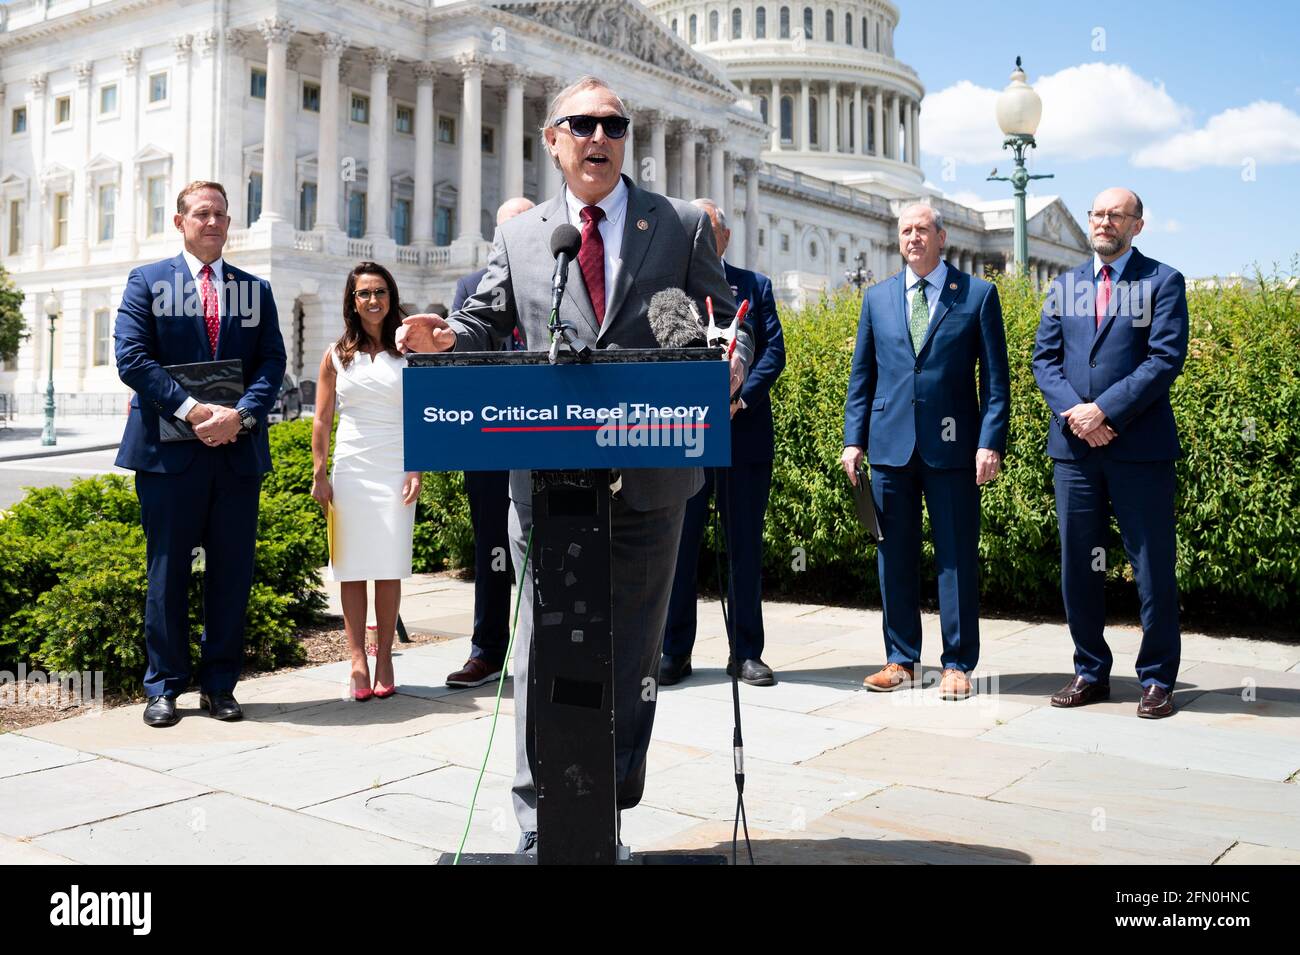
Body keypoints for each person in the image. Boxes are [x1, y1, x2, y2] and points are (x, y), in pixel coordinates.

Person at [398, 75, 754, 853]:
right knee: (541, 654)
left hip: (653, 482)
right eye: (581, 125)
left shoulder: (683, 223)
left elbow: (723, 322)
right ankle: (538, 823)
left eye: (613, 125)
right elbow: (484, 323)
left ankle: (604, 813)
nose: (599, 138)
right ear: (552, 141)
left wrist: (728, 361)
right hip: (550, 485)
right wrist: (445, 340)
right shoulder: (525, 236)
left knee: (631, 658)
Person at [114, 180, 286, 727]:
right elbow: (133, 359)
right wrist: (193, 411)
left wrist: (241, 415)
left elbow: (271, 364)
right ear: (180, 221)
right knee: (166, 573)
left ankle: (220, 685)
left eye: (221, 215)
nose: (213, 222)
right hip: (168, 458)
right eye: (202, 213)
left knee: (231, 574)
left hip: (236, 454)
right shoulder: (146, 282)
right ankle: (162, 687)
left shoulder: (255, 290)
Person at [840, 203, 1010, 701]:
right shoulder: (877, 299)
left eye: (922, 230)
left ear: (942, 236)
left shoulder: (977, 295)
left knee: (955, 556)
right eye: (905, 231)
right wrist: (855, 440)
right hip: (891, 447)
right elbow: (862, 376)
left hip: (955, 449)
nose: (913, 237)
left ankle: (957, 664)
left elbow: (996, 383)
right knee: (893, 556)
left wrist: (989, 441)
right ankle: (901, 660)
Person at [1033, 188, 1188, 719]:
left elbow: (1164, 360)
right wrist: (1079, 413)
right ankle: (1089, 671)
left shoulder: (1162, 282)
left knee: (1152, 566)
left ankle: (1157, 678)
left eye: (1115, 216)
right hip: (1075, 449)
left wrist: (1106, 411)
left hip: (1139, 448)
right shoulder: (1065, 284)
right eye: (1097, 214)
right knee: (1079, 565)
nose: (1103, 223)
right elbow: (1044, 361)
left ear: (1137, 226)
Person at [661, 198, 785, 688]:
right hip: (686, 438)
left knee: (744, 548)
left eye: (705, 229)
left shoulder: (755, 286)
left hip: (744, 436)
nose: (696, 237)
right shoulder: (669, 291)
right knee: (680, 548)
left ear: (725, 238)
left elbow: (773, 351)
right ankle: (674, 650)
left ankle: (747, 652)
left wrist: (741, 400)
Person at [311, 262, 421, 701]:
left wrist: (418, 466)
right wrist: (319, 473)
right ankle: (356, 658)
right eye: (363, 294)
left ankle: (386, 657)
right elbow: (321, 419)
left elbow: (422, 415)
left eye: (380, 291)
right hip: (352, 467)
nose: (372, 300)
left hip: (396, 466)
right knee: (352, 568)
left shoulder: (410, 350)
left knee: (390, 566)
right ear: (351, 301)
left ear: (391, 297)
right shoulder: (336, 354)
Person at [445, 197, 535, 690]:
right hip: (492, 435)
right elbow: (465, 360)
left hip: (551, 434)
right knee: (492, 546)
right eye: (506, 232)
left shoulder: (562, 279)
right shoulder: (470, 289)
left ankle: (547, 648)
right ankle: (487, 651)